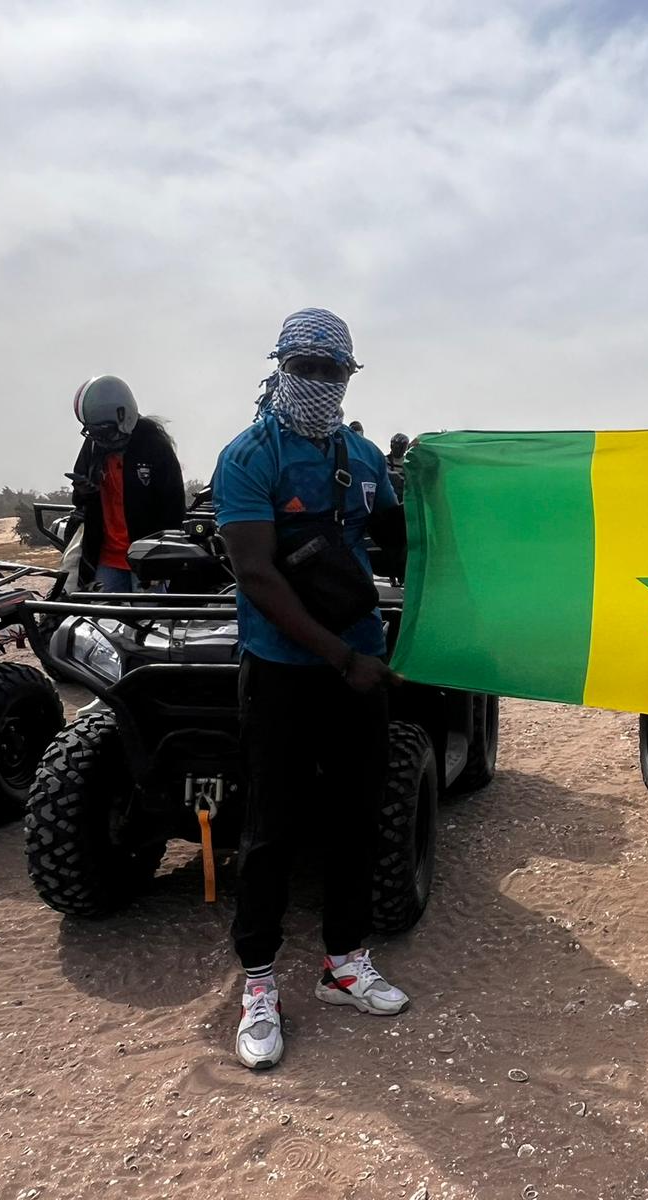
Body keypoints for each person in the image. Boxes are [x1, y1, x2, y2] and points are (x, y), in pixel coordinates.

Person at [212, 306, 409, 1071]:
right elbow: (255, 572)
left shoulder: (361, 455)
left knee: (358, 817)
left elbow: (395, 543)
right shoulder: (248, 456)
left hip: (357, 662)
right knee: (270, 828)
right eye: (307, 368)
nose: (319, 383)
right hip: (284, 668)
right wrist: (340, 657)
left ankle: (344, 962)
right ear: (281, 367)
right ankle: (258, 982)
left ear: (349, 377)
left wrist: (431, 486)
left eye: (334, 371)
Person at [67, 376, 186, 592]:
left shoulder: (154, 446)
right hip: (107, 558)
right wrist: (85, 492)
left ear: (124, 416)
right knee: (100, 621)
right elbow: (79, 499)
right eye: (93, 432)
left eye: (104, 431)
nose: (100, 438)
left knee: (149, 623)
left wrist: (163, 559)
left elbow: (174, 508)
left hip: (147, 558)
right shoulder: (94, 447)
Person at [385, 433, 411, 502]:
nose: (397, 449)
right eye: (395, 446)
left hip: (404, 497)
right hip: (388, 495)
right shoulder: (384, 460)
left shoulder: (409, 463)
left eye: (400, 447)